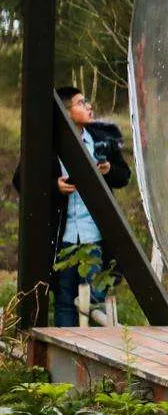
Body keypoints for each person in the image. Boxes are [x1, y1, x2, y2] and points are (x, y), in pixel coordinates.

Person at [34, 88, 131, 326]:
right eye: (81, 103)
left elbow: (124, 176)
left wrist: (109, 172)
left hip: (94, 237)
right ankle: (67, 358)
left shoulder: (101, 140)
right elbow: (22, 180)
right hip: (63, 238)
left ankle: (96, 355)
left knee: (95, 301)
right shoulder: (48, 144)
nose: (89, 106)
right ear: (66, 112)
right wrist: (53, 185)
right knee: (65, 300)